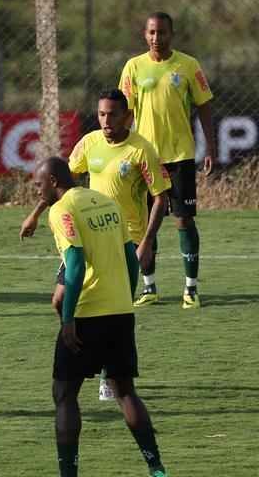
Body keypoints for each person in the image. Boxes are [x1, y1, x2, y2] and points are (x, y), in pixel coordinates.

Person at [31, 157, 170, 477]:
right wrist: (127, 294)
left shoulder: (61, 209)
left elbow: (75, 265)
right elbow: (128, 257)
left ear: (51, 181)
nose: (36, 191)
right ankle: (158, 471)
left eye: (37, 185)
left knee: (64, 394)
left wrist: (67, 319)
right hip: (121, 310)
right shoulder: (106, 202)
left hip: (88, 314)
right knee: (125, 391)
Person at [19, 89, 171, 401]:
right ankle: (87, 353)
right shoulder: (89, 143)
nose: (106, 120)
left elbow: (161, 198)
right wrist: (35, 214)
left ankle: (108, 373)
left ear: (126, 116)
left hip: (124, 240)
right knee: (60, 300)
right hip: (84, 233)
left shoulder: (141, 150)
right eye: (101, 114)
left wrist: (146, 242)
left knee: (112, 308)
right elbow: (59, 182)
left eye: (113, 114)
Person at [119, 12, 215, 309]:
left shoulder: (188, 65)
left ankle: (191, 288)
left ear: (171, 34)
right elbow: (125, 112)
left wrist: (210, 147)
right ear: (144, 34)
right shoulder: (133, 67)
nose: (156, 38)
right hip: (144, 158)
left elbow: (205, 107)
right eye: (151, 32)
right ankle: (149, 287)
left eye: (161, 32)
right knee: (143, 222)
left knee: (183, 220)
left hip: (180, 156)